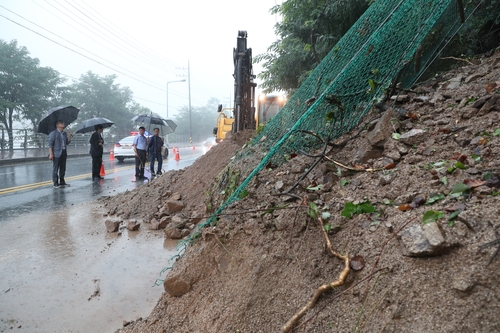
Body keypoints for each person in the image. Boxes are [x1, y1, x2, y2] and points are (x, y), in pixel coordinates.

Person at [48, 120, 72, 188]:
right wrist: (51, 154)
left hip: (64, 152)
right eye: (61, 123)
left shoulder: (64, 133)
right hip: (56, 153)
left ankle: (62, 182)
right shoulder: (53, 133)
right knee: (55, 168)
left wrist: (69, 136)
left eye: (63, 123)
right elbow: (50, 145)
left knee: (63, 168)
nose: (63, 124)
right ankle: (55, 183)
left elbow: (67, 142)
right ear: (57, 125)